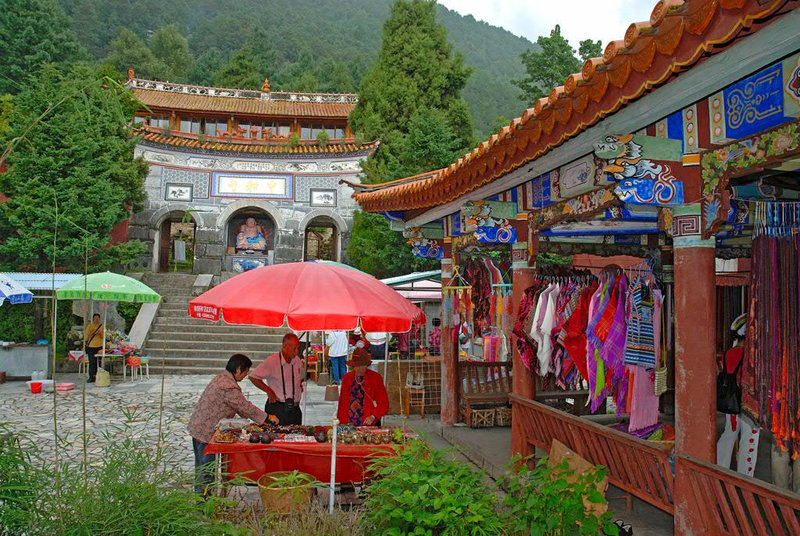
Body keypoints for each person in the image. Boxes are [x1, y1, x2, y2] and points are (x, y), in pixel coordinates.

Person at [187, 354, 278, 496]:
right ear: (238, 369)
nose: (246, 375)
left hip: (198, 427)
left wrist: (256, 420)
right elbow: (244, 406)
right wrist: (267, 417)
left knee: (200, 469)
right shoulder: (228, 386)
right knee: (206, 471)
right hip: (205, 431)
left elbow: (238, 407)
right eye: (245, 372)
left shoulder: (221, 378)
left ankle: (201, 500)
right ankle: (204, 503)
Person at [716, 314, 760, 477]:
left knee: (729, 433)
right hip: (749, 404)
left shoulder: (729, 353)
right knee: (750, 438)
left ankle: (721, 470)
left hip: (731, 403)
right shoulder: (753, 355)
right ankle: (745, 476)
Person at [249, 333, 305, 424]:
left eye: (297, 348)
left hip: (294, 408)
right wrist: (269, 391)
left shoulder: (297, 360)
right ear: (285, 347)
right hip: (277, 408)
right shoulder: (272, 361)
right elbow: (253, 377)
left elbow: (301, 377)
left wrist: (299, 386)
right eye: (294, 348)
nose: (297, 351)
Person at [337, 347, 389, 426]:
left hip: (369, 422)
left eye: (363, 365)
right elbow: (342, 402)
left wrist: (373, 416)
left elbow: (384, 403)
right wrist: (341, 422)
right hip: (349, 423)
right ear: (353, 365)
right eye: (358, 366)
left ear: (367, 365)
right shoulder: (347, 378)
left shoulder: (375, 378)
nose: (361, 369)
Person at [84, 313, 105, 383]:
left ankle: (98, 376)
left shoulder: (102, 326)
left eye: (97, 319)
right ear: (93, 319)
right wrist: (91, 332)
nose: (96, 320)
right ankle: (91, 377)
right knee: (92, 361)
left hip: (99, 346)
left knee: (98, 361)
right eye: (95, 318)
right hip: (91, 346)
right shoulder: (90, 326)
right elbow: (86, 336)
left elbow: (104, 337)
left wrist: (100, 333)